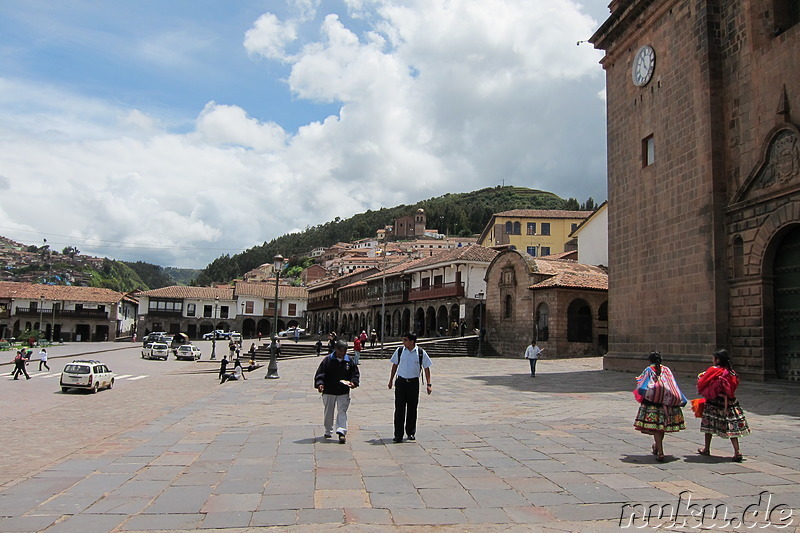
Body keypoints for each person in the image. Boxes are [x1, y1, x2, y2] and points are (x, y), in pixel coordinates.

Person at [695, 348, 750, 462]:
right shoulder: (731, 372)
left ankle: (707, 448)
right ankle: (737, 451)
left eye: (713, 358)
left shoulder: (714, 370)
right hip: (730, 403)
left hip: (714, 402)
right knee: (732, 426)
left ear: (718, 359)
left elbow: (702, 383)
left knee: (708, 425)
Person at [633, 351, 686, 461]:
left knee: (657, 428)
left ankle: (660, 452)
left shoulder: (648, 370)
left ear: (649, 360)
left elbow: (642, 387)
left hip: (653, 404)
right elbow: (673, 384)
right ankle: (657, 446)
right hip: (667, 404)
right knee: (661, 427)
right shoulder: (667, 370)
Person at [388, 332, 432, 443]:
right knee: (399, 409)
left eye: (405, 340)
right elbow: (394, 365)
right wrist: (391, 380)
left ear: (412, 341)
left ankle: (411, 432)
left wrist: (428, 384)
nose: (403, 342)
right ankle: (398, 434)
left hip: (413, 383)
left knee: (412, 409)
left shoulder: (420, 352)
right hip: (401, 382)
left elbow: (427, 368)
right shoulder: (400, 351)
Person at [314, 339, 360, 443]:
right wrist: (320, 384)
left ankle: (341, 431)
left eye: (344, 351)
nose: (342, 353)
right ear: (336, 350)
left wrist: (354, 382)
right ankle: (328, 429)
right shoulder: (328, 360)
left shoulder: (349, 360)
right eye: (340, 351)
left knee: (342, 411)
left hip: (343, 390)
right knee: (329, 411)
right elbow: (321, 373)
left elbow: (355, 373)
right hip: (329, 390)